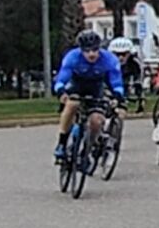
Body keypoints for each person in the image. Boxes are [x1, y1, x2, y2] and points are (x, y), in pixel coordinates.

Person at [51, 31, 125, 163]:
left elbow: (116, 82)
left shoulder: (109, 59)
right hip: (76, 84)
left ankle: (86, 151)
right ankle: (61, 143)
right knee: (72, 104)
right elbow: (62, 78)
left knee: (96, 121)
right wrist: (61, 91)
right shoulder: (72, 57)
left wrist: (117, 95)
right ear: (81, 50)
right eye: (87, 51)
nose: (91, 54)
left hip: (96, 87)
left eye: (95, 50)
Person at [109, 37, 143, 108]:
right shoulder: (106, 64)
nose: (120, 57)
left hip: (124, 90)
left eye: (124, 54)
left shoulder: (134, 65)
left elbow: (138, 81)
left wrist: (140, 97)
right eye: (117, 54)